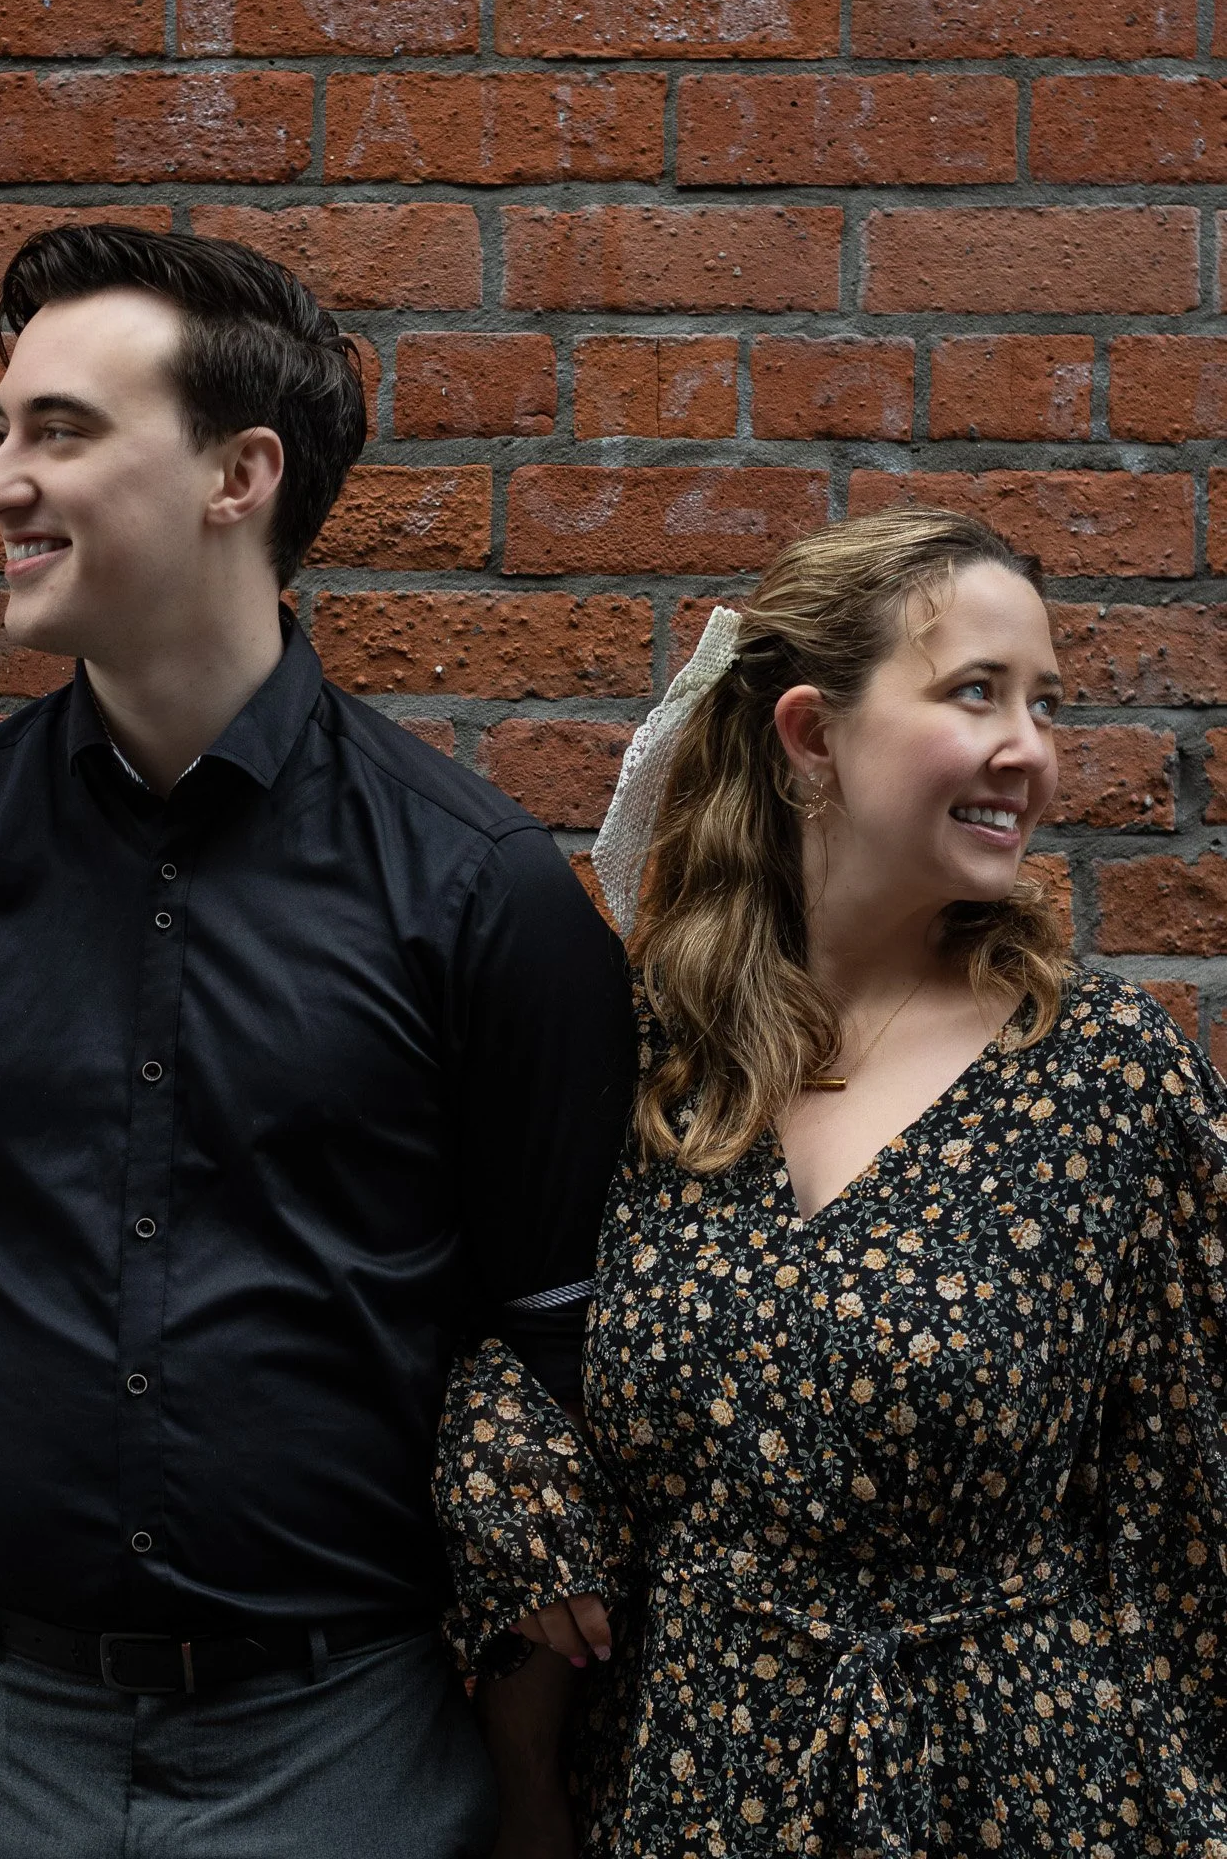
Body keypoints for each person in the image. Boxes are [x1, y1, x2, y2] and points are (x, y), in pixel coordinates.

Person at [0, 223, 636, 1859]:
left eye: (60, 431)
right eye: (1, 430)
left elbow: (562, 1373)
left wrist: (533, 1785)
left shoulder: (482, 897)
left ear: (240, 474)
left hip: (346, 1755)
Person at [436, 507, 1227, 1857]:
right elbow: (493, 1324)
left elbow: (1193, 1518)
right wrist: (495, 1452)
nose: (1031, 750)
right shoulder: (642, 1056)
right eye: (977, 692)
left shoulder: (1107, 1078)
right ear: (811, 735)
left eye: (1045, 703)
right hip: (689, 1785)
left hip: (1013, 1789)